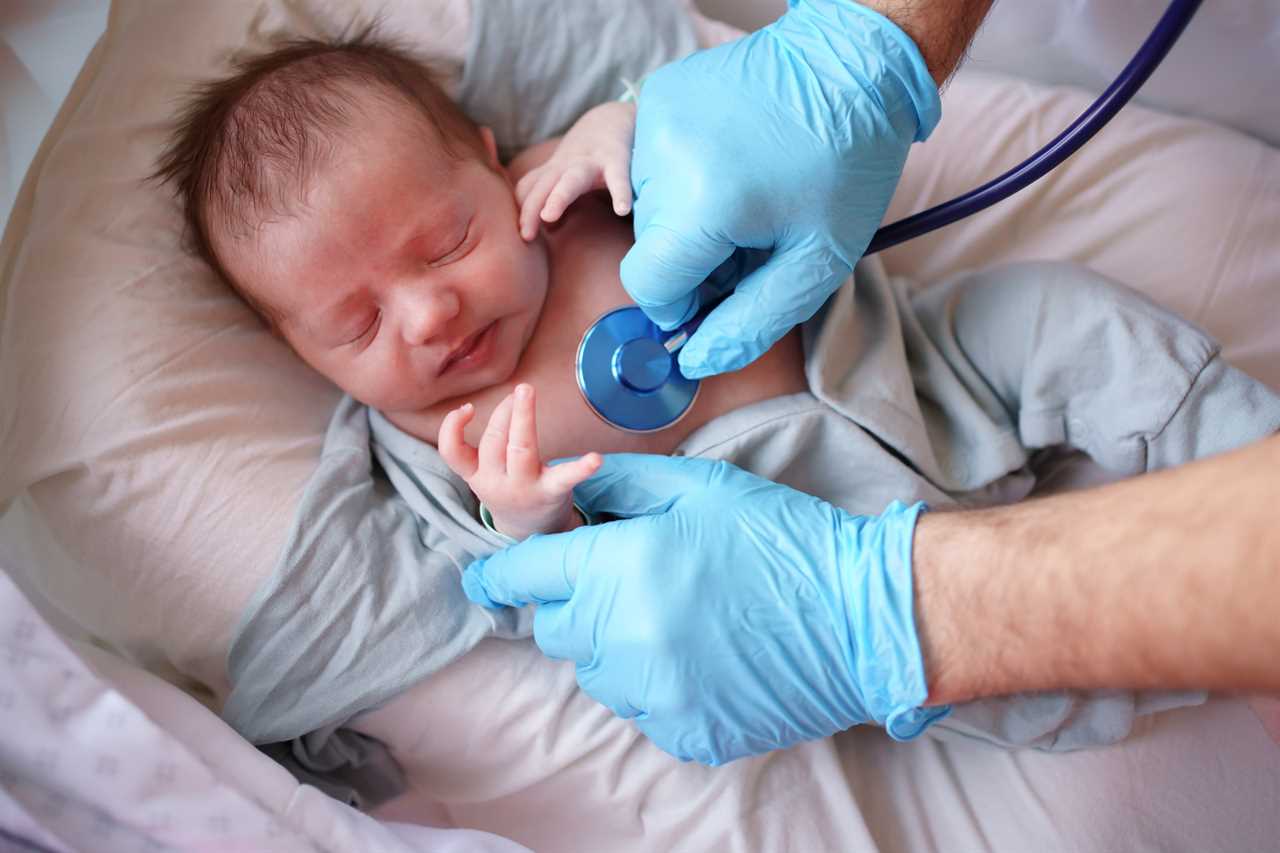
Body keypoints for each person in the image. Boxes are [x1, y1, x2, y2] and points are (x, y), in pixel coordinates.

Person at [157, 21, 1279, 769]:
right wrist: (524, 512)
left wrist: (613, 129)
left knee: (1058, 314)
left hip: (925, 366)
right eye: (354, 324)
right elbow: (506, 581)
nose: (427, 315)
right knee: (990, 681)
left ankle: (1239, 448)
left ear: (491, 165)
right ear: (295, 350)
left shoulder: (562, 189)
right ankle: (1185, 673)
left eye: (444, 241)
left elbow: (675, 125)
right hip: (795, 556)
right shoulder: (422, 448)